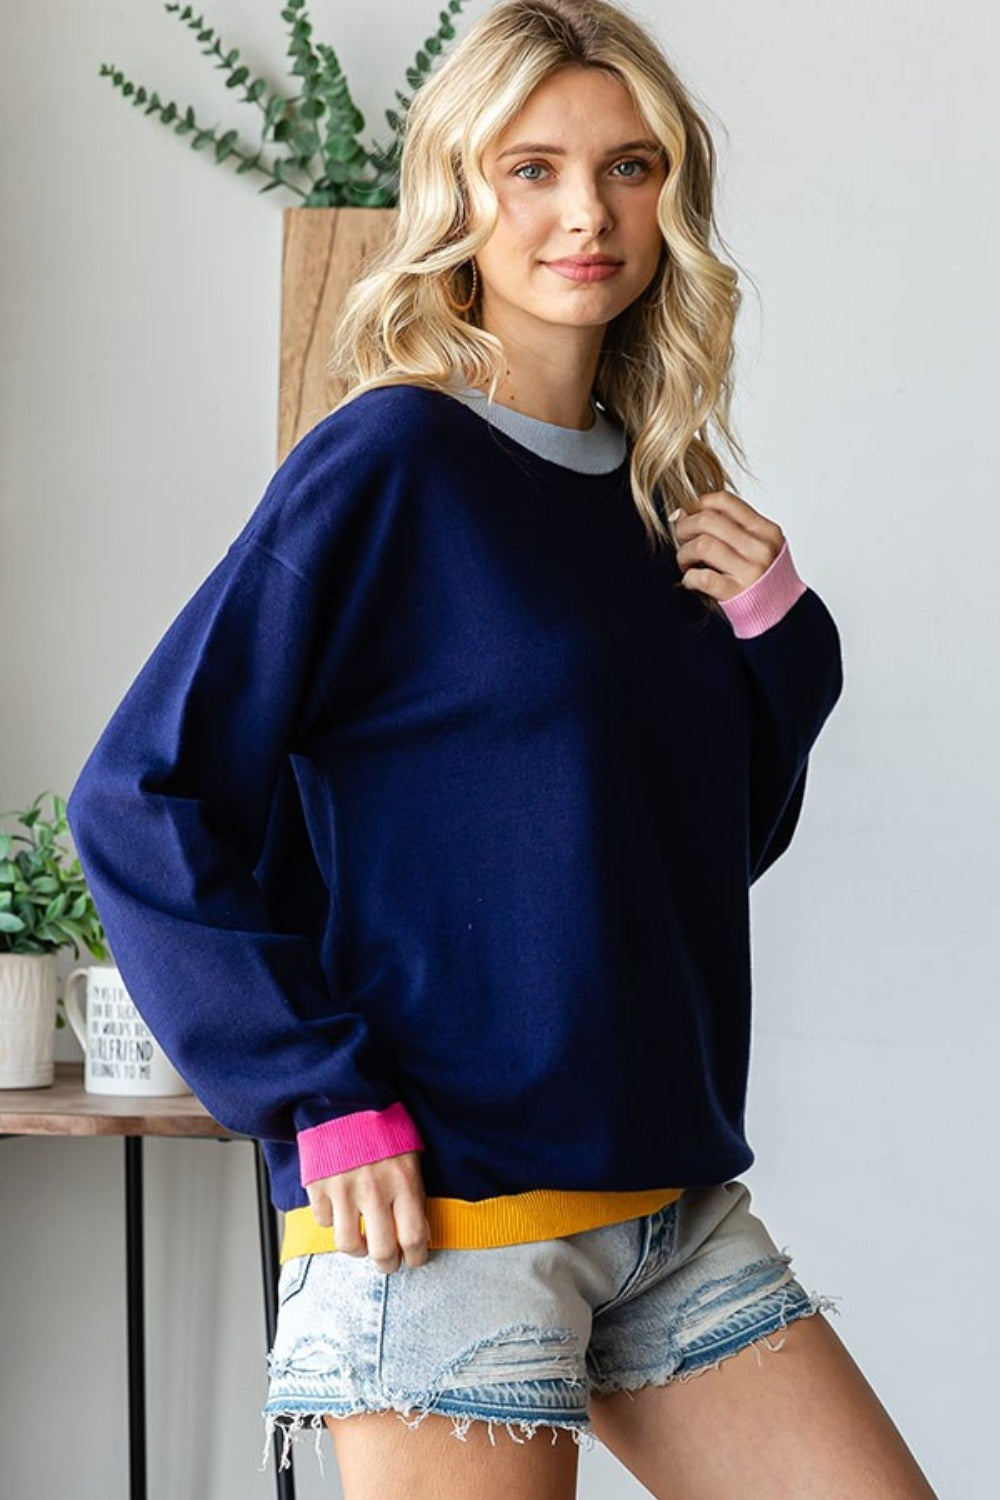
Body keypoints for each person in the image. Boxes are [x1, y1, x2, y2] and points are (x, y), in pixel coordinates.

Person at [66, 2, 939, 1496]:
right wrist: (317, 1095)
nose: (585, 214)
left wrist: (787, 650)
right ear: (457, 192)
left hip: (664, 1200)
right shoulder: (391, 459)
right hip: (445, 1225)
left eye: (629, 166)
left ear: (677, 192)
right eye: (530, 167)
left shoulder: (655, 495)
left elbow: (680, 856)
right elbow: (136, 795)